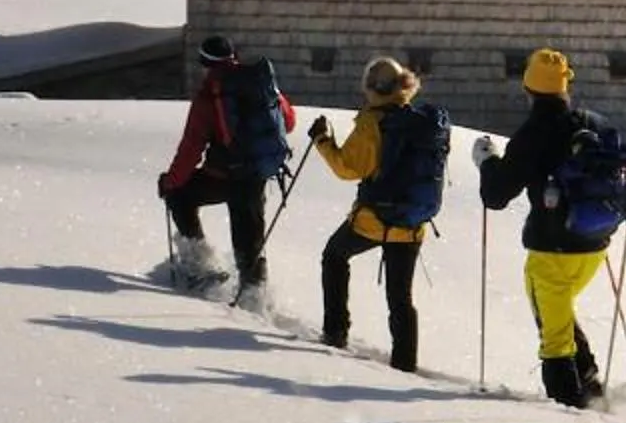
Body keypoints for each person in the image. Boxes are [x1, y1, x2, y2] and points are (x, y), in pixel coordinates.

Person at [473, 48, 626, 408]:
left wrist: (487, 162)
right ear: (566, 83)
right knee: (561, 315)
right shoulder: (594, 123)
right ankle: (593, 389)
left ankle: (570, 408)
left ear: (528, 88)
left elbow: (496, 195)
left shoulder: (533, 134)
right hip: (595, 244)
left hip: (551, 250)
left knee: (553, 338)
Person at [307, 56, 447, 371]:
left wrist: (322, 141)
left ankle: (335, 331)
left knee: (334, 255)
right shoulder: (422, 122)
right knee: (401, 298)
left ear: (372, 88)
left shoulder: (372, 122)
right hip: (411, 223)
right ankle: (405, 364)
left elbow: (348, 168)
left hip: (373, 221)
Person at [156, 34, 295, 303]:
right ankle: (255, 297)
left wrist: (171, 181)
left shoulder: (211, 95)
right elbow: (287, 122)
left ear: (204, 62)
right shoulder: (260, 83)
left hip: (221, 176)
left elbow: (191, 148)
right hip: (255, 175)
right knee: (249, 240)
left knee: (180, 195)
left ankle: (201, 264)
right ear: (234, 56)